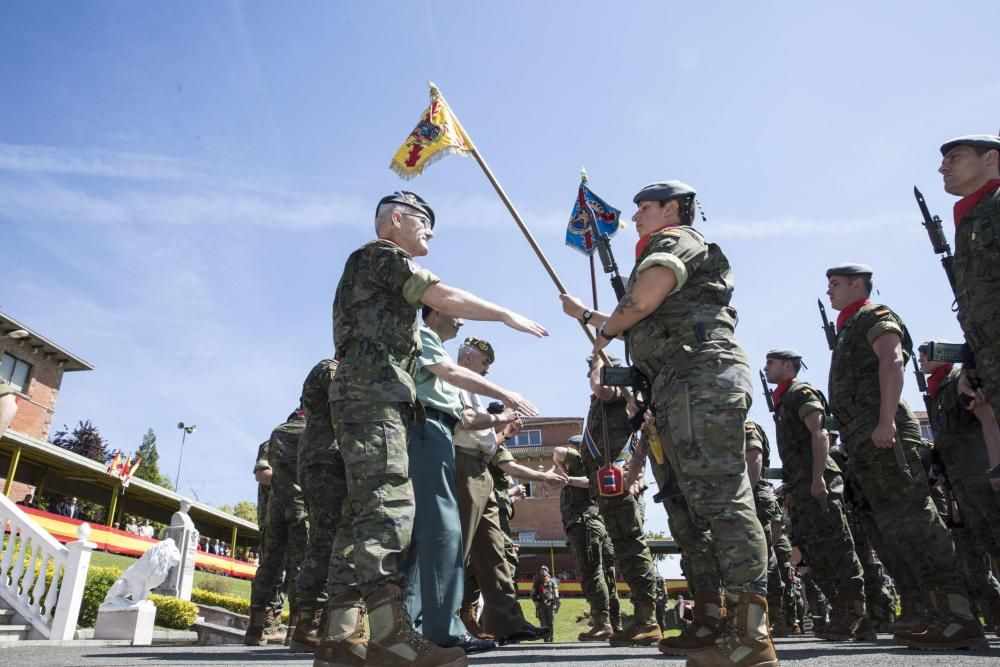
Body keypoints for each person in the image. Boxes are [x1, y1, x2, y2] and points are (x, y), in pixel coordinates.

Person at [317, 190, 546, 667]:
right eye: (424, 221)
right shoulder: (380, 255)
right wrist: (504, 314)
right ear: (395, 219)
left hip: (369, 397)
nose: (431, 232)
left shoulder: (370, 268)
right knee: (388, 512)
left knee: (358, 517)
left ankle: (339, 639)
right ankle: (390, 639)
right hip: (375, 398)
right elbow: (440, 295)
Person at [561, 180, 774, 666]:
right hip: (681, 383)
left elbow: (639, 303)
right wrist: (592, 318)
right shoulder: (662, 248)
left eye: (644, 207)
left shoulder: (673, 240)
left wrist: (602, 329)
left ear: (673, 209)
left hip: (699, 376)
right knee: (703, 504)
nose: (635, 216)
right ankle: (718, 620)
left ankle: (751, 635)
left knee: (723, 499)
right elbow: (638, 313)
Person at [825, 262, 986, 649]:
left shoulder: (874, 316)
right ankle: (935, 611)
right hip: (866, 439)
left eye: (835, 284)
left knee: (918, 522)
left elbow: (892, 361)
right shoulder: (847, 327)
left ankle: (959, 614)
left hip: (885, 434)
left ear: (858, 284)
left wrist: (885, 422)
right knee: (896, 530)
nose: (829, 291)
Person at [451, 336, 559, 646]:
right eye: (485, 362)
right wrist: (501, 418)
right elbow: (466, 422)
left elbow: (483, 440)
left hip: (481, 467)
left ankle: (506, 623)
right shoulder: (455, 382)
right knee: (457, 547)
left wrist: (503, 432)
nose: (487, 370)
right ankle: (439, 622)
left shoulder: (473, 390)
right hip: (464, 466)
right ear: (468, 358)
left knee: (493, 552)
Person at [763, 349, 870, 641]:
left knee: (838, 545)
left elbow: (820, 434)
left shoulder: (800, 392)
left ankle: (857, 615)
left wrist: (819, 477)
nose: (766, 368)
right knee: (816, 550)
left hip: (816, 481)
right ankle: (842, 611)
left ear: (788, 366)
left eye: (771, 363)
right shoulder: (784, 400)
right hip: (802, 484)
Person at [574, 354, 660, 646]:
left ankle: (648, 619)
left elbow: (601, 387)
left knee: (631, 546)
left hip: (619, 480)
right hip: (608, 483)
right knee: (625, 548)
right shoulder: (605, 400)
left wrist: (599, 366)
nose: (589, 375)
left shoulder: (615, 393)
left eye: (590, 370)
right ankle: (643, 618)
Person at [938, 135, 1000, 478]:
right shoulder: (972, 219)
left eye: (955, 157)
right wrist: (972, 367)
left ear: (990, 157)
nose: (942, 167)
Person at [919, 342, 1000, 574]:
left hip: (982, 472)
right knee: (989, 543)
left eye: (926, 354)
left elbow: (984, 413)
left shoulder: (957, 380)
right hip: (960, 479)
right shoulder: (935, 392)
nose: (922, 359)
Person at [291, 359, 347, 653]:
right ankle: (307, 625)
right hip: (325, 460)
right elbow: (345, 401)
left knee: (333, 539)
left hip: (332, 459)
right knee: (324, 540)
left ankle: (321, 622)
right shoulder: (331, 367)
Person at [245, 409, 308, 647]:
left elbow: (263, 474)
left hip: (274, 510)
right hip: (302, 508)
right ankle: (296, 630)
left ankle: (256, 628)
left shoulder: (273, 437)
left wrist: (281, 487)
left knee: (269, 564)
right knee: (299, 567)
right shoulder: (315, 433)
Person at [552, 437, 621, 643]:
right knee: (607, 575)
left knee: (591, 573)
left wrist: (561, 469)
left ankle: (602, 624)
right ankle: (615, 623)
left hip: (585, 523)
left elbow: (557, 450)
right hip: (599, 523)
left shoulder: (579, 460)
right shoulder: (598, 465)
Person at [531, 566, 559, 643]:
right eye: (541, 570)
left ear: (547, 571)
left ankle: (551, 637)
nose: (543, 571)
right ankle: (545, 640)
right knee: (543, 623)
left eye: (544, 570)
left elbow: (556, 594)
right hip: (541, 605)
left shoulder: (552, 582)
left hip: (550, 605)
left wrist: (555, 604)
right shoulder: (537, 582)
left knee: (550, 622)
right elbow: (533, 594)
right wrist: (536, 602)